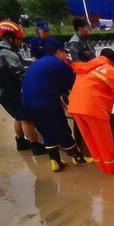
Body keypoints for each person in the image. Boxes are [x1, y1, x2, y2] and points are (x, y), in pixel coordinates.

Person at [22, 40, 91, 172]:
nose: (67, 56)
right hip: (46, 102)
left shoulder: (36, 64)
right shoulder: (59, 63)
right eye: (65, 53)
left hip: (28, 103)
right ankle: (77, 158)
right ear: (58, 52)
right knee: (62, 127)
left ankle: (55, 161)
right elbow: (72, 86)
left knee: (45, 130)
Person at [68, 48, 114, 175]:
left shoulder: (86, 66)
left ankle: (101, 165)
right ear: (113, 61)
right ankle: (111, 167)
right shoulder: (110, 71)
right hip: (93, 109)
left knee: (91, 140)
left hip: (75, 107)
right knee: (104, 140)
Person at [0, 20, 45, 155]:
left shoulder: (1, 48)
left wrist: (37, 63)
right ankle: (36, 146)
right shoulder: (7, 53)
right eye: (19, 39)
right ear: (10, 38)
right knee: (26, 116)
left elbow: (22, 62)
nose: (21, 42)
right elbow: (21, 72)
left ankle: (21, 142)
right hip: (6, 90)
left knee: (18, 115)